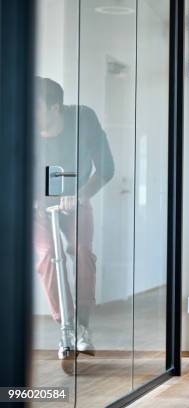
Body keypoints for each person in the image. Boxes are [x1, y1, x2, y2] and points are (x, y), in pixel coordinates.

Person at [34, 77, 115, 359]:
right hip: (36, 204)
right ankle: (65, 328)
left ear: (56, 107)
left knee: (81, 252)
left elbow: (106, 167)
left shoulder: (83, 119)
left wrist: (81, 194)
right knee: (47, 256)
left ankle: (82, 326)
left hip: (76, 197)